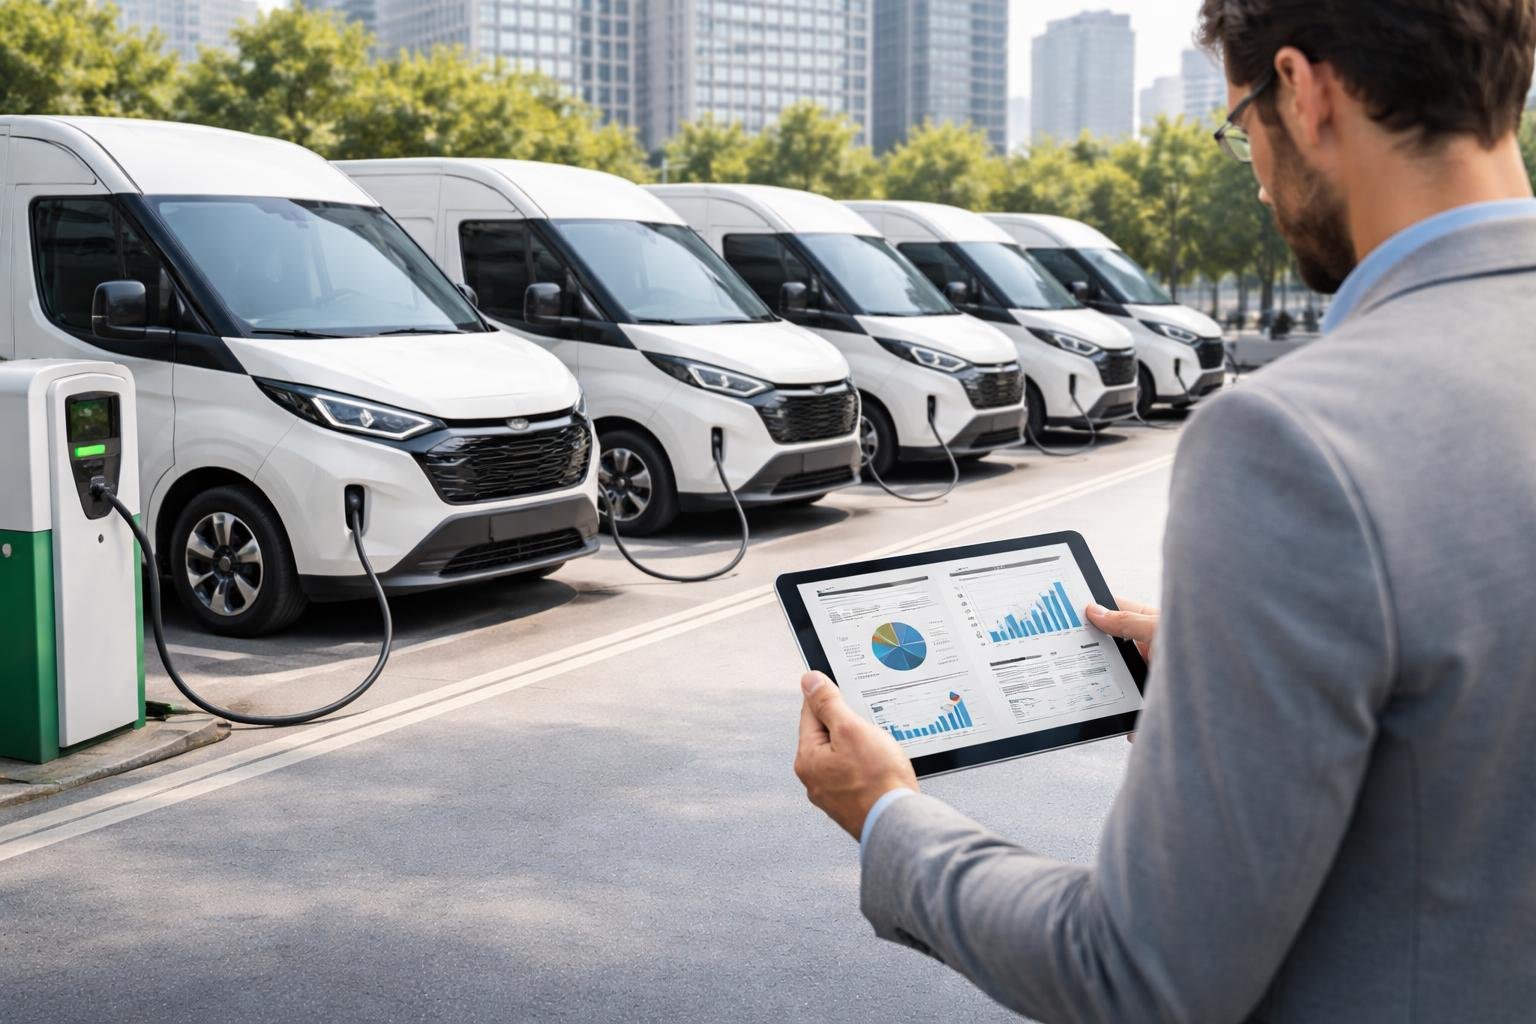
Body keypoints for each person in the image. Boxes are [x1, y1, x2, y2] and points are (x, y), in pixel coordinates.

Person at [792, 1, 1536, 1020]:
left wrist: (889, 821)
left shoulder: (1295, 443)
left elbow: (1139, 974)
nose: (1261, 181)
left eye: (1240, 129)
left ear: (1305, 90)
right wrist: (1242, 672)